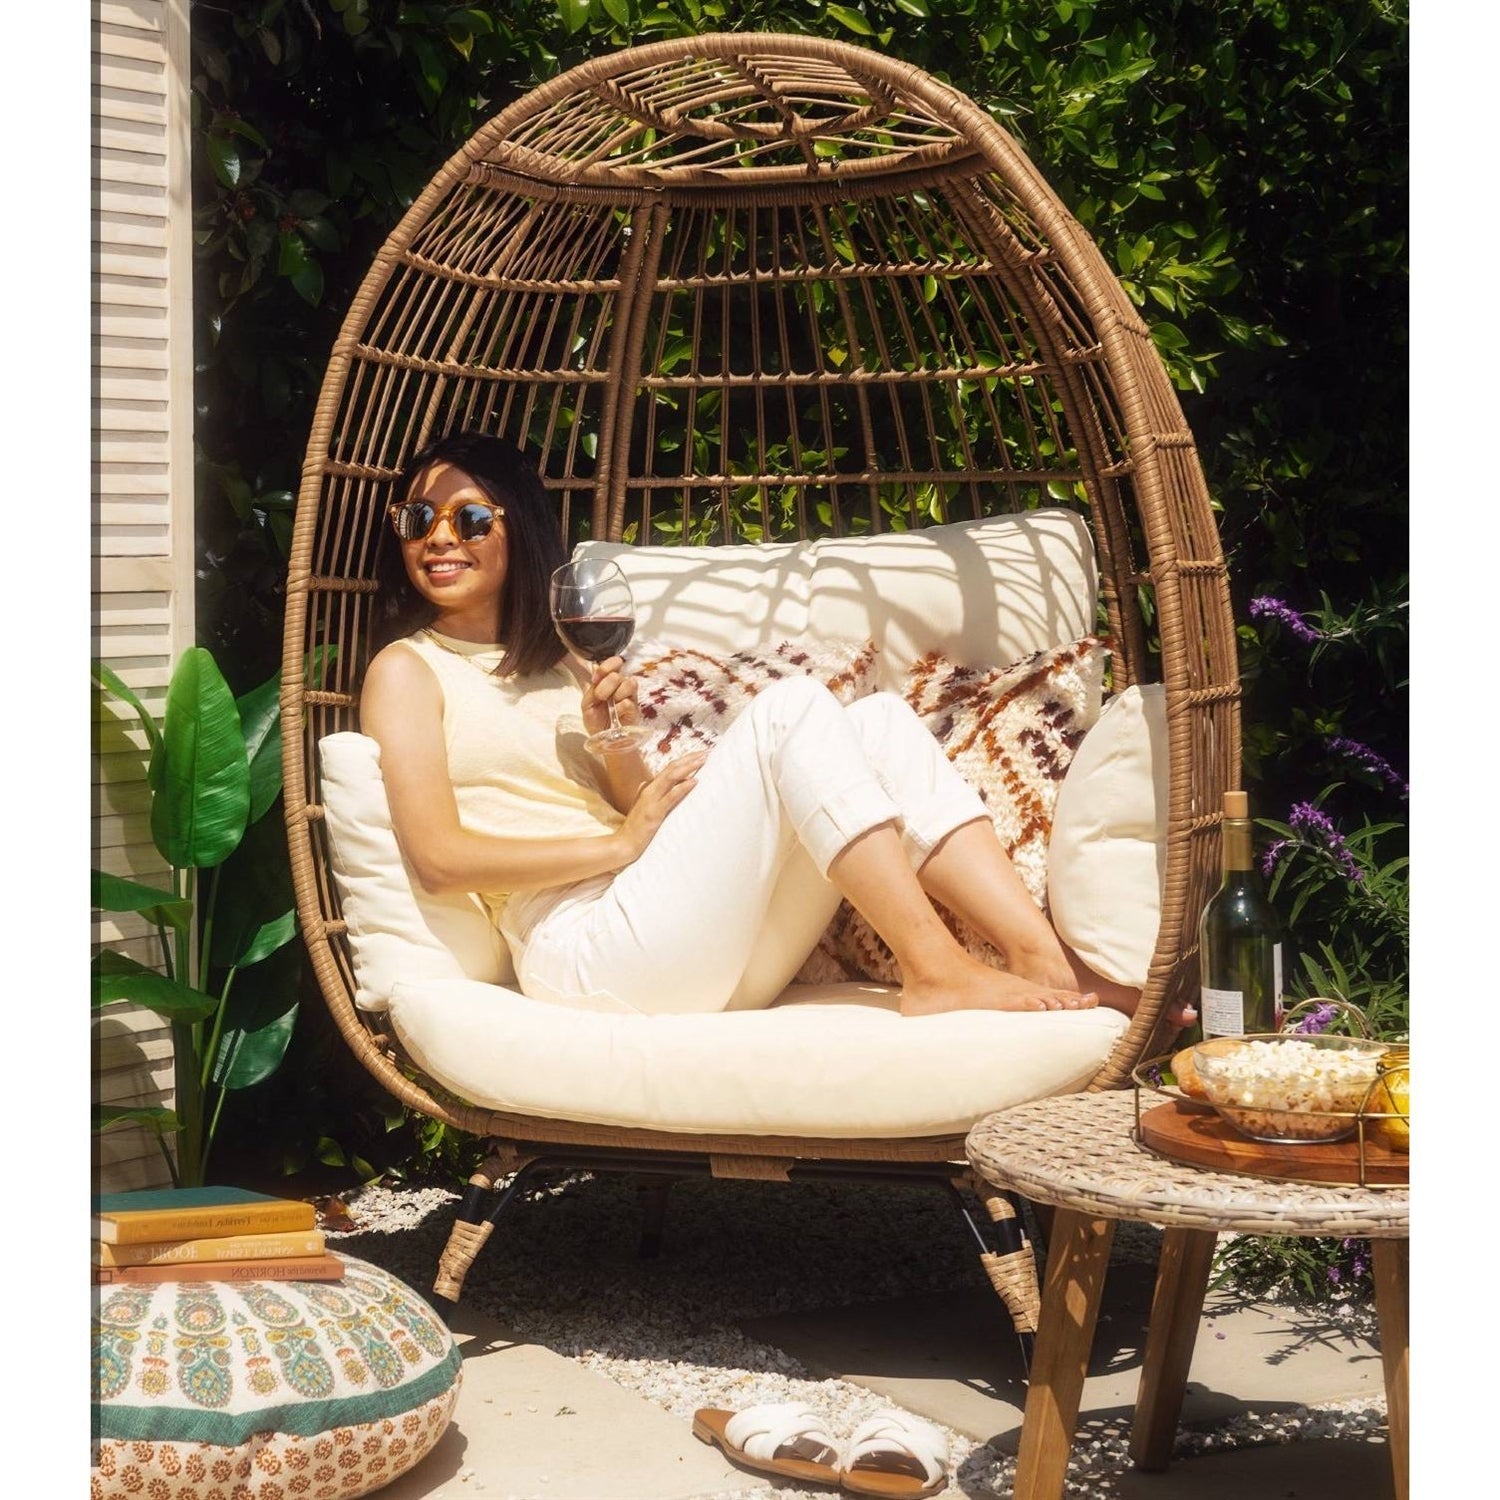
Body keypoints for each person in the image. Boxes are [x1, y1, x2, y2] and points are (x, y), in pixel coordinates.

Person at [361, 431, 1176, 1023]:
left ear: (520, 530)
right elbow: (440, 861)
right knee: (790, 708)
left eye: (469, 519)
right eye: (417, 519)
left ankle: (1039, 955)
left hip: (694, 944)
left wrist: (616, 740)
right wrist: (620, 847)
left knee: (880, 721)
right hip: (584, 954)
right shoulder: (407, 670)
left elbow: (632, 808)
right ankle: (934, 967)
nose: (439, 538)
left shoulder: (563, 663)